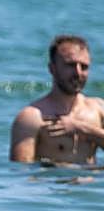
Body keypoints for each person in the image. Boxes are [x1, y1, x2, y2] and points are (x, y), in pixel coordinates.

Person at [10, 35, 104, 166]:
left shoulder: (98, 109)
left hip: (91, 185)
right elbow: (21, 172)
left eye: (84, 67)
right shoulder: (32, 117)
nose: (78, 73)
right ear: (52, 68)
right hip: (52, 185)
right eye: (70, 65)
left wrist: (82, 128)